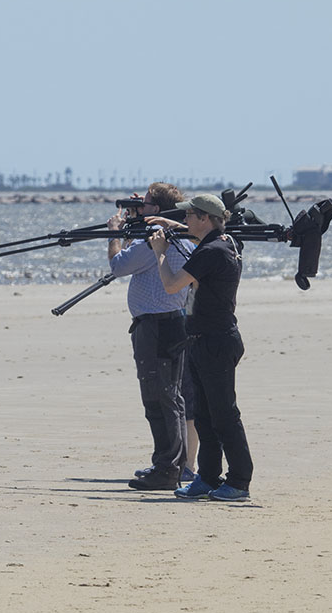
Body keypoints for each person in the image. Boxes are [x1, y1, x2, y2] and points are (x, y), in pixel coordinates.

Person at [148, 193, 252, 501]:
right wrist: (169, 224)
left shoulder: (213, 252)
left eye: (189, 215)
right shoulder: (222, 242)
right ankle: (207, 477)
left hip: (216, 341)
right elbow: (202, 234)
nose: (184, 220)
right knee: (205, 417)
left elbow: (171, 285)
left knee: (224, 415)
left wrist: (160, 252)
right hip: (203, 339)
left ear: (205, 219)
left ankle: (239, 481)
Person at [107, 182, 193, 491]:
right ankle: (170, 463)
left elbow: (118, 266)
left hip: (155, 327)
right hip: (173, 322)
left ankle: (167, 468)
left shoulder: (154, 244)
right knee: (170, 397)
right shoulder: (184, 237)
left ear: (156, 210)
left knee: (159, 398)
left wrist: (115, 231)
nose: (140, 209)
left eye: (144, 205)